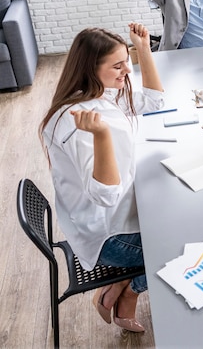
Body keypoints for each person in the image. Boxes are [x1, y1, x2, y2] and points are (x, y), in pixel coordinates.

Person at [39, 22, 164, 333]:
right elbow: (105, 196)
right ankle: (128, 292)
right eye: (117, 65)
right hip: (108, 234)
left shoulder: (99, 94)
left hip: (118, 214)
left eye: (127, 61)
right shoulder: (77, 122)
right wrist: (102, 135)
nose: (126, 71)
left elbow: (155, 103)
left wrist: (144, 50)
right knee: (183, 244)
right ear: (91, 69)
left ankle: (120, 285)